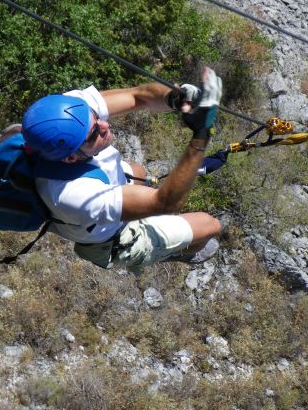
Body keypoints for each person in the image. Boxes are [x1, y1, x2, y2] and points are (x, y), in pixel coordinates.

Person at [21, 67, 223, 270]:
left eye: (95, 115)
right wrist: (201, 134)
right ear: (71, 158)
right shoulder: (73, 195)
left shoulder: (67, 112)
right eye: (94, 134)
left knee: (138, 171)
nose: (104, 125)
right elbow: (166, 203)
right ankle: (171, 252)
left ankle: (154, 227)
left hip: (98, 196)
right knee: (211, 225)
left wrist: (176, 98)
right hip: (112, 239)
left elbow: (137, 95)